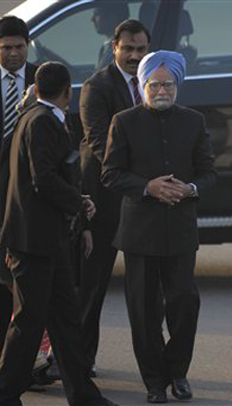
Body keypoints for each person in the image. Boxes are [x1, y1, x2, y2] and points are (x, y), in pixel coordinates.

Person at [102, 50, 216, 404]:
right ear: (143, 84)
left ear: (178, 85)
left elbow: (209, 173)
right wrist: (147, 186)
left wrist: (190, 188)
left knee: (184, 304)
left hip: (181, 231)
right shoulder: (124, 121)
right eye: (155, 84)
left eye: (168, 84)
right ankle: (154, 381)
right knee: (144, 311)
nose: (162, 90)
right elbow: (110, 174)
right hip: (140, 233)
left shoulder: (193, 121)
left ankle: (177, 372)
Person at [0, 61, 117, 406]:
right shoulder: (41, 122)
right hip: (32, 242)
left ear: (36, 88)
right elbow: (44, 180)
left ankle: (83, 395)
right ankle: (5, 393)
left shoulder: (39, 118)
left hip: (51, 241)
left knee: (66, 321)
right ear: (68, 92)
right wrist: (80, 204)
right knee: (28, 322)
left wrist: (76, 209)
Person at [79, 18, 150, 377]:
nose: (136, 56)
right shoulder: (97, 87)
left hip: (141, 202)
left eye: (141, 49)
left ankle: (154, 365)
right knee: (91, 286)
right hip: (103, 200)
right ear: (114, 48)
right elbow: (97, 142)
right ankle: (79, 359)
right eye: (129, 49)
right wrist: (144, 177)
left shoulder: (153, 83)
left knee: (146, 290)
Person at [0, 15, 37, 356]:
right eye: (6, 47)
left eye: (19, 47)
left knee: (24, 280)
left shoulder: (44, 79)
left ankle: (29, 358)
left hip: (29, 197)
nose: (13, 54)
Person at [92, 1, 130, 72]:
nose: (92, 19)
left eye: (97, 14)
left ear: (113, 17)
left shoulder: (122, 49)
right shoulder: (109, 45)